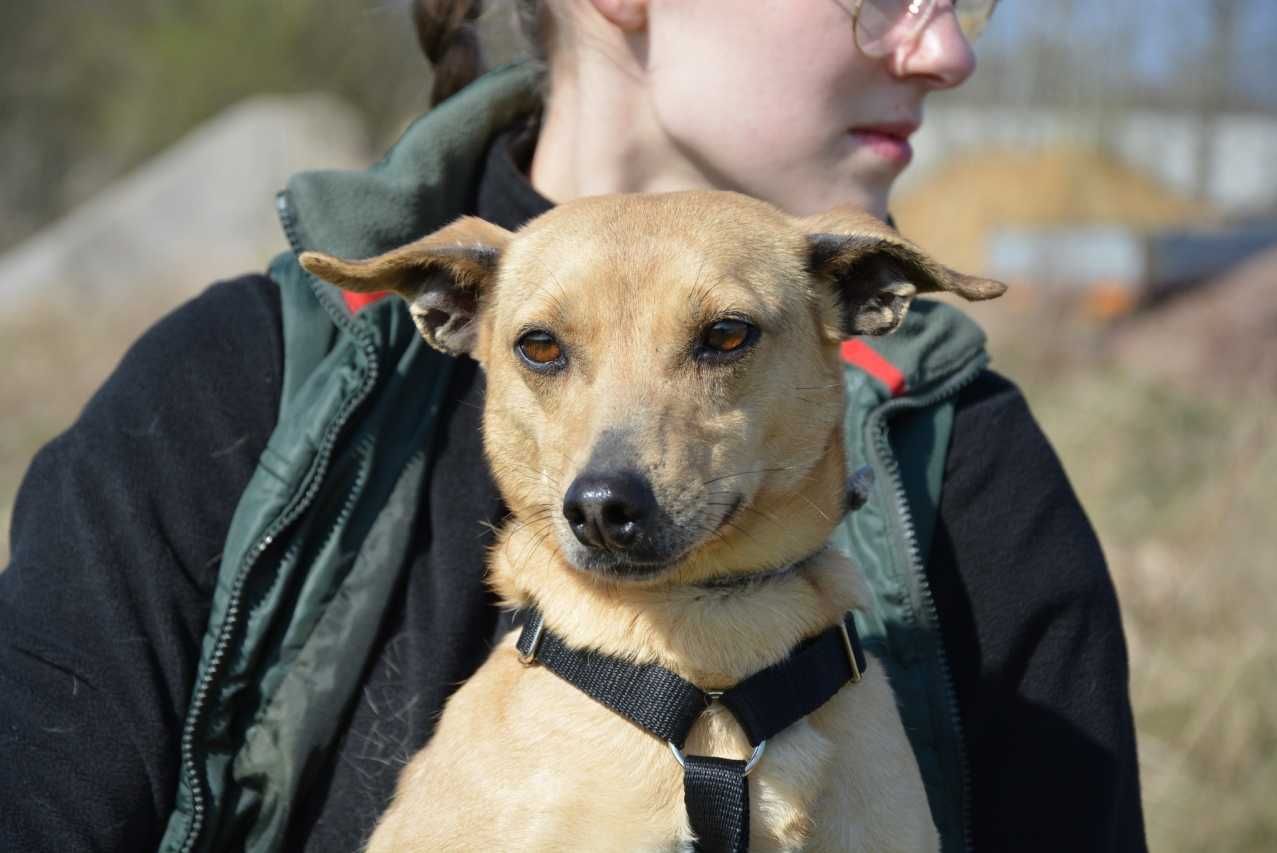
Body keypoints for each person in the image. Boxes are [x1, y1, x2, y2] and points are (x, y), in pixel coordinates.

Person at [0, 1, 1145, 850]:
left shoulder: (968, 457)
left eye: (722, 340)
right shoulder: (220, 398)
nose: (944, 50)